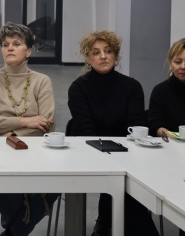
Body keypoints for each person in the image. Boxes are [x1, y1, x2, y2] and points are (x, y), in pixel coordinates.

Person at [68, 30, 159, 236]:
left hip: (128, 154)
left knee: (126, 187)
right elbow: (86, 131)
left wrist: (123, 153)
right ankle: (109, 221)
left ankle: (106, 222)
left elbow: (136, 126)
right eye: (96, 52)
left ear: (116, 56)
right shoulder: (79, 88)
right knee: (128, 193)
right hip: (90, 152)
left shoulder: (131, 86)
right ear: (88, 58)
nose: (103, 56)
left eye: (108, 51)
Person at [0, 22, 58, 236]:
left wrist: (6, 132)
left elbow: (46, 123)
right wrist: (26, 122)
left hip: (35, 151)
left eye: (16, 44)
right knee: (5, 185)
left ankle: (12, 232)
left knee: (55, 183)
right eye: (5, 45)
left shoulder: (42, 81)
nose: (10, 48)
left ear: (28, 51)